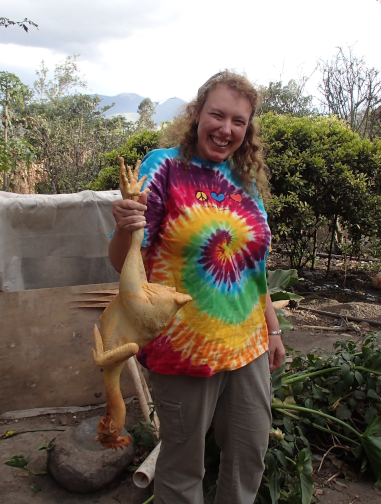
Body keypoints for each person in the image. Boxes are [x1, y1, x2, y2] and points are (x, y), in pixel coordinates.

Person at [108, 70, 285, 504]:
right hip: (182, 347)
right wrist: (123, 229)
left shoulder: (245, 183)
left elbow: (253, 269)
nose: (226, 129)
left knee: (249, 456)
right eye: (217, 115)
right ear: (197, 114)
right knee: (183, 467)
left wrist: (273, 328)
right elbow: (123, 262)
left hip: (248, 346)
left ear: (248, 129)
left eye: (239, 121)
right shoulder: (164, 166)